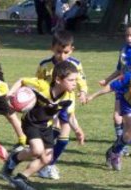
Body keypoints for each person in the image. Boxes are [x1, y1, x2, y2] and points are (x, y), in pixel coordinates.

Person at [2, 61, 84, 190]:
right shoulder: (42, 86)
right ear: (58, 79)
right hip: (31, 122)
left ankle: (21, 178)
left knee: (47, 158)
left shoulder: (69, 97)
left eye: (76, 80)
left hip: (46, 126)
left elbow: (69, 115)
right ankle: (13, 158)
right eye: (71, 80)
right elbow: (21, 81)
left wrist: (78, 130)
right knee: (37, 150)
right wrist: (11, 94)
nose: (75, 83)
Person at [36, 30, 86, 180]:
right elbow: (37, 83)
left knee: (64, 135)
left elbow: (81, 80)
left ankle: (49, 163)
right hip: (49, 105)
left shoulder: (76, 64)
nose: (62, 56)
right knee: (55, 129)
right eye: (59, 52)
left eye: (66, 52)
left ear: (71, 50)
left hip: (67, 103)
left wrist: (83, 91)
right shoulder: (45, 65)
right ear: (52, 48)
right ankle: (43, 158)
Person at [98, 22, 131, 158]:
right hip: (122, 87)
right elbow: (120, 69)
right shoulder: (123, 50)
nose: (129, 38)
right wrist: (107, 80)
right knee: (117, 117)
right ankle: (122, 144)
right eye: (127, 35)